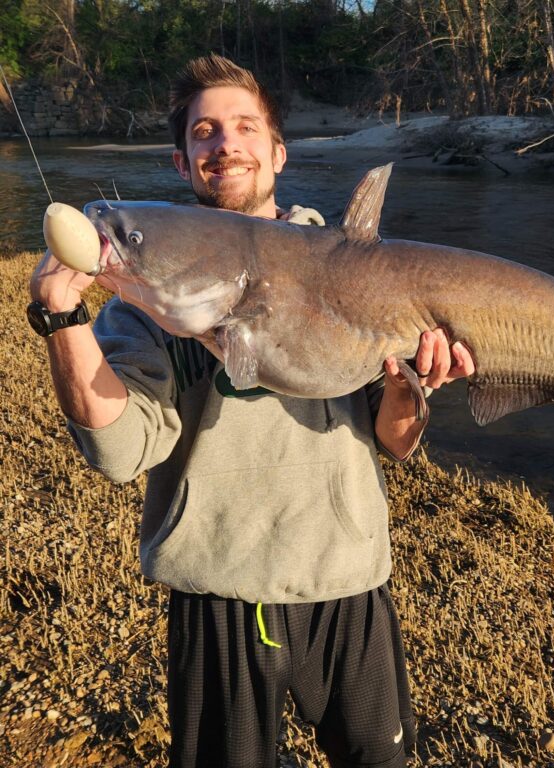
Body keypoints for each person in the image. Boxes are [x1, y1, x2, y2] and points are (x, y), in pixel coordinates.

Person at [28, 53, 475, 768]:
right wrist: (61, 319)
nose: (224, 144)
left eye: (243, 127)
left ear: (277, 152)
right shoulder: (139, 309)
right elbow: (117, 451)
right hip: (220, 591)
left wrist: (411, 388)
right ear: (183, 162)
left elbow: (395, 440)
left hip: (346, 579)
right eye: (204, 132)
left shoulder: (356, 272)